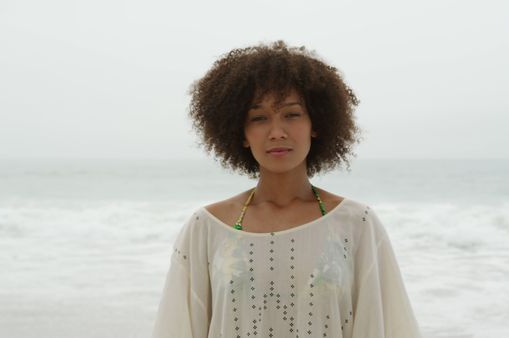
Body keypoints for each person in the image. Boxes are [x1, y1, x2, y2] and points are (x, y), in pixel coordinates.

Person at [151, 41, 421, 338]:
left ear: (315, 124)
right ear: (241, 133)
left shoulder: (357, 224)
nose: (277, 132)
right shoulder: (206, 227)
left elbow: (386, 327)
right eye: (259, 118)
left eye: (291, 115)